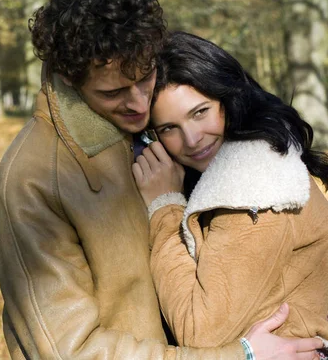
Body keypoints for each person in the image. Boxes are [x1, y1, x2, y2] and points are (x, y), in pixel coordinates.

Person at [0, 0, 324, 359]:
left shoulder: (160, 134)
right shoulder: (32, 179)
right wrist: (240, 355)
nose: (138, 103)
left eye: (145, 78)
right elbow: (69, 352)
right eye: (113, 91)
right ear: (69, 78)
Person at [133, 31, 328, 353]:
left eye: (200, 112)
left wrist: (163, 206)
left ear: (231, 99)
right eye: (169, 128)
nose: (192, 139)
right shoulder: (241, 166)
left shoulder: (253, 184)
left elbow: (200, 335)